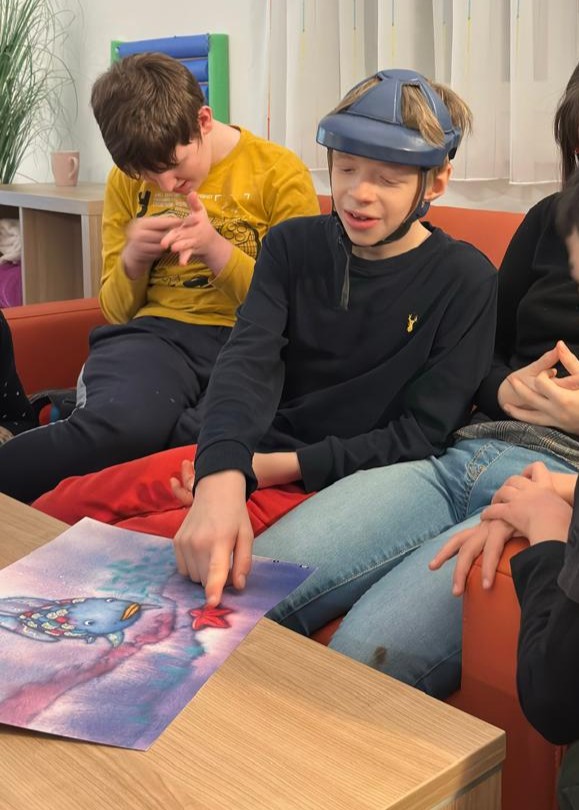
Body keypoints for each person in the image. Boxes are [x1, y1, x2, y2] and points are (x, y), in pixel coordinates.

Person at [35, 69, 497, 630]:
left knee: (106, 570)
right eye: (346, 169)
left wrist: (260, 471)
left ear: (437, 181)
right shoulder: (291, 246)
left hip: (318, 480)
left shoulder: (467, 280)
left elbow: (421, 435)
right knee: (54, 508)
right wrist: (222, 467)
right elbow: (247, 361)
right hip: (239, 449)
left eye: (389, 178)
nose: (359, 193)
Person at [0, 52, 319, 503]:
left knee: (206, 441)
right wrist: (132, 260)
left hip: (251, 339)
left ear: (203, 121)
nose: (166, 184)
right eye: (148, 174)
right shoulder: (126, 181)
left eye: (174, 166)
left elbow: (300, 309)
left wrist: (216, 250)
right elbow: (115, 310)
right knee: (122, 428)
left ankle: (69, 417)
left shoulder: (279, 173)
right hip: (155, 338)